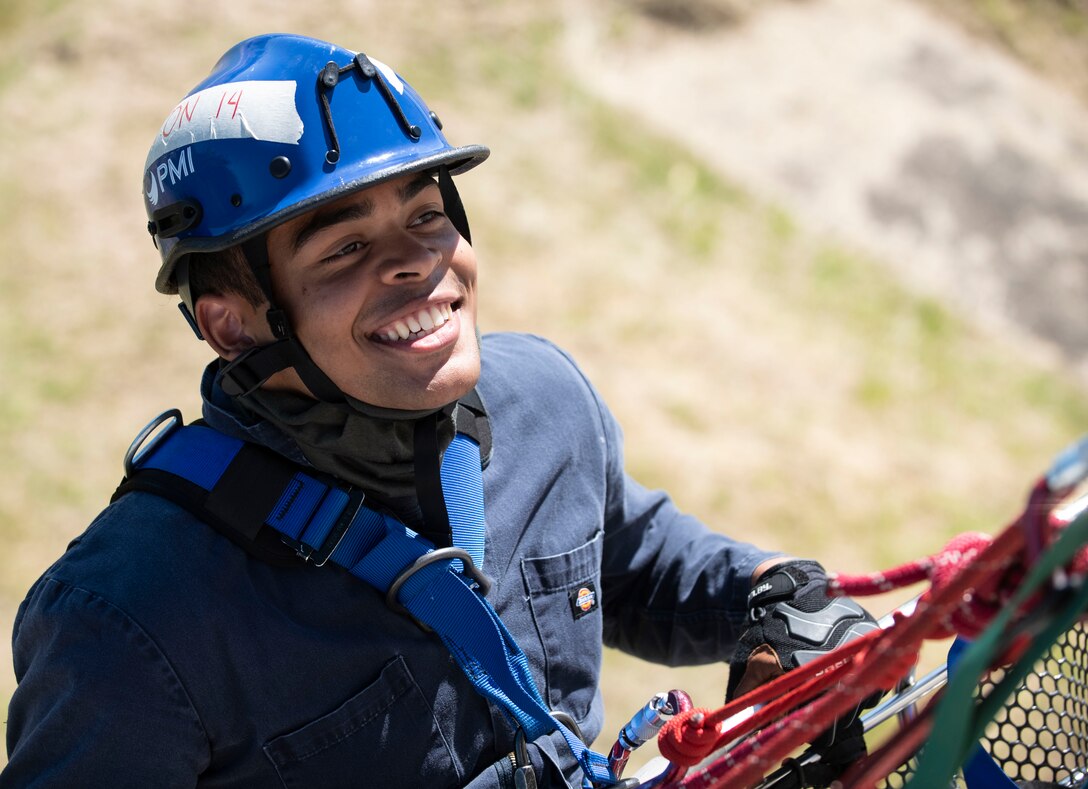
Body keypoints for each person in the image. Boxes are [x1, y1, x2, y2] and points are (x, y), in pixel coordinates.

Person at [2, 34, 875, 788]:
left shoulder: (543, 403)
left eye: (426, 215)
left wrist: (773, 601)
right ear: (231, 322)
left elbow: (634, 563)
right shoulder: (132, 618)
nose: (416, 264)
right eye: (344, 245)